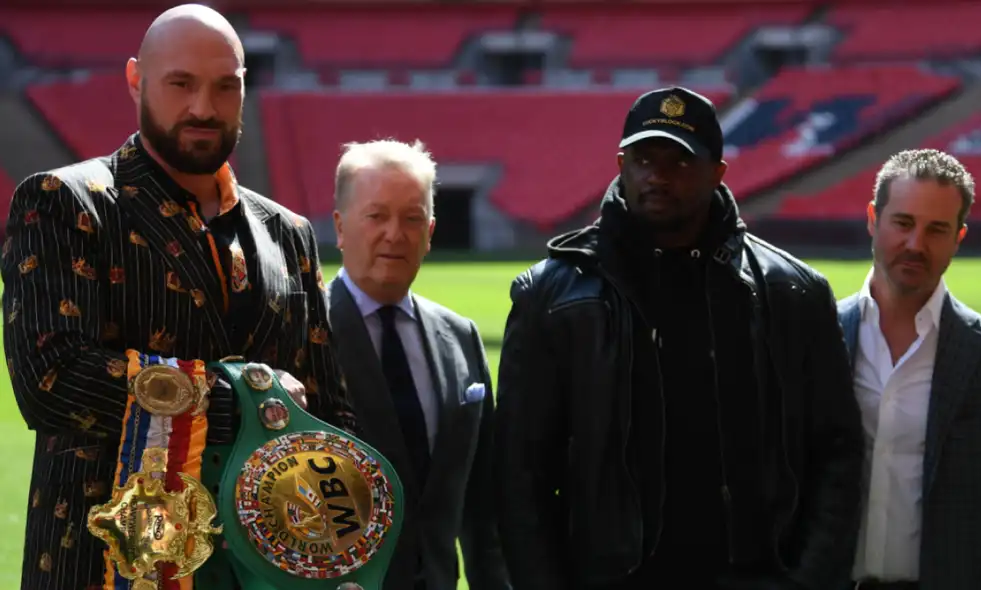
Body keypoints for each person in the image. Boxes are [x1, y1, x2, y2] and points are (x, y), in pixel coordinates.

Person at [1, 5, 355, 589]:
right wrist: (245, 400)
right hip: (106, 566)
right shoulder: (64, 202)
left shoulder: (288, 233)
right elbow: (51, 379)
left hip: (268, 572)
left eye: (225, 86)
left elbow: (326, 410)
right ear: (136, 80)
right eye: (181, 84)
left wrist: (342, 548)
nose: (203, 108)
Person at [493, 86, 865, 590]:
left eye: (679, 161)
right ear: (621, 164)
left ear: (718, 173)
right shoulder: (551, 296)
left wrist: (809, 581)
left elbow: (836, 453)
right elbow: (519, 475)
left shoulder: (793, 291)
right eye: (643, 159)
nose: (657, 176)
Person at [325, 139, 509, 590]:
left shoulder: (461, 336)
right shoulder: (300, 335)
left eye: (411, 218)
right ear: (340, 227)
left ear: (429, 232)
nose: (395, 233)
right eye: (376, 215)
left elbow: (484, 504)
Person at [837, 149, 981, 590]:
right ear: (874, 219)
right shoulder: (818, 334)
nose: (916, 244)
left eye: (937, 230)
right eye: (904, 223)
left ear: (958, 237)